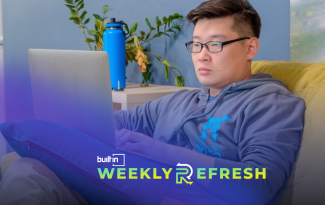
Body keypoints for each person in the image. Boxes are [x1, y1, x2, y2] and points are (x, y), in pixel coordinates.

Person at [0, 0, 305, 204]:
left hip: (176, 197)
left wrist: (156, 150)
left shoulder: (271, 103)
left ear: (250, 47)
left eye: (215, 44)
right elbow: (112, 125)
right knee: (27, 169)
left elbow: (257, 184)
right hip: (126, 185)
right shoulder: (178, 102)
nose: (202, 55)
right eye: (196, 45)